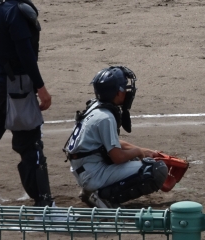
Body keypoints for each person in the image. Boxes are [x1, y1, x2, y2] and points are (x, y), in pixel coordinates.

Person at [0, 0, 55, 207]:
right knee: (30, 144)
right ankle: (44, 205)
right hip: (13, 87)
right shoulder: (13, 9)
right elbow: (25, 52)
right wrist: (41, 87)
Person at [63, 66, 168, 208]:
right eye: (124, 87)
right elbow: (117, 157)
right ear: (118, 92)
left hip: (85, 169)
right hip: (93, 174)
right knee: (155, 170)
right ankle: (103, 197)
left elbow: (110, 142)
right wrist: (138, 152)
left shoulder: (95, 108)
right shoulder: (106, 117)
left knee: (134, 157)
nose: (127, 90)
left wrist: (143, 150)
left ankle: (90, 191)